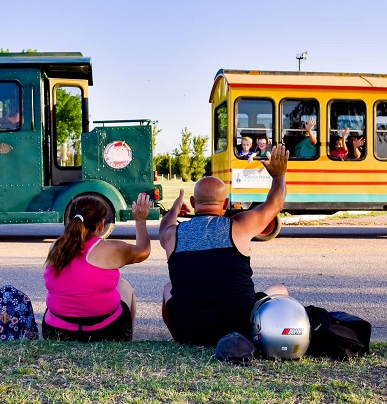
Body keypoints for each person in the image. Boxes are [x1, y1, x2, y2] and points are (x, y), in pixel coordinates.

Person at [159, 144, 291, 346]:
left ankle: (180, 338)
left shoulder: (173, 235)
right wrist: (279, 176)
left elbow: (164, 226)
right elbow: (275, 204)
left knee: (169, 288)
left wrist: (176, 207)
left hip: (190, 333)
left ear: (194, 202)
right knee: (280, 289)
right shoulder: (239, 226)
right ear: (225, 203)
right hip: (239, 328)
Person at [42, 193, 152, 342]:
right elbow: (143, 251)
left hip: (56, 332)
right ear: (101, 225)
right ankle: (127, 340)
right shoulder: (110, 248)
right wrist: (140, 220)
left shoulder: (55, 247)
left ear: (70, 221)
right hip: (105, 331)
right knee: (124, 286)